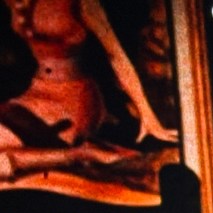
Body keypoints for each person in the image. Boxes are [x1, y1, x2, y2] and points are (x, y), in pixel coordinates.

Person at [0, 0, 178, 183]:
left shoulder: (83, 3)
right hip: (35, 96)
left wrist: (148, 116)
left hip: (73, 99)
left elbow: (115, 55)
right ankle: (78, 154)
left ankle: (80, 154)